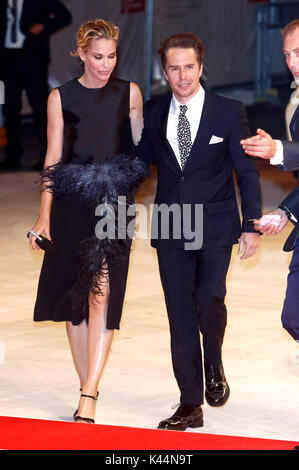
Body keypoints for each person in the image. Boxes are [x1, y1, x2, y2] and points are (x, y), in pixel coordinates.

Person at [137, 32, 261, 431]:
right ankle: (190, 402)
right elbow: (138, 167)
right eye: (174, 68)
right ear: (165, 72)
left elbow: (245, 172)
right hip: (172, 222)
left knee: (208, 301)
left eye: (189, 67)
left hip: (216, 221)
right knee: (180, 315)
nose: (182, 75)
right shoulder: (156, 114)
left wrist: (251, 226)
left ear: (201, 67)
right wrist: (101, 187)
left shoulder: (228, 111)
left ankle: (214, 359)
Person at [28, 18, 145, 424]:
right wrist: (44, 215)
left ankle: (89, 392)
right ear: (81, 54)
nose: (105, 64)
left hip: (114, 203)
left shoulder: (129, 93)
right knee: (77, 303)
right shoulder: (60, 97)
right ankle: (86, 385)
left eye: (112, 56)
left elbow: (142, 149)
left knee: (102, 294)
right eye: (97, 57)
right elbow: (53, 160)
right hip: (71, 203)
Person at [240, 18, 299, 343]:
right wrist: (285, 212)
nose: (291, 63)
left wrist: (277, 149)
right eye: (287, 54)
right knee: (293, 318)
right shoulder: (294, 103)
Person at [0, 0, 72, 171]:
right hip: (7, 58)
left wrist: (43, 27)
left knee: (39, 108)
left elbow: (65, 16)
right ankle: (12, 156)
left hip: (33, 57)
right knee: (9, 108)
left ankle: (47, 155)